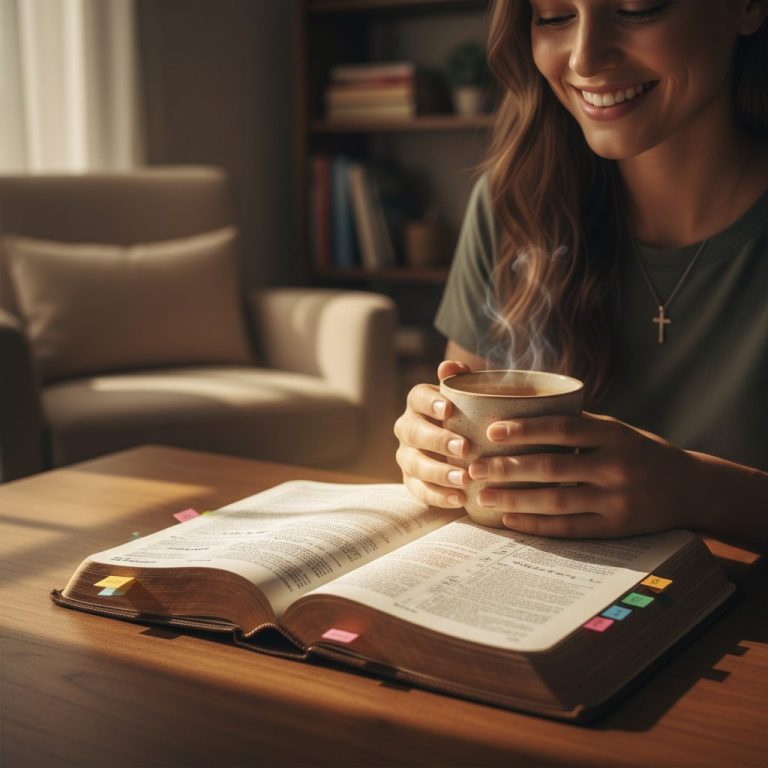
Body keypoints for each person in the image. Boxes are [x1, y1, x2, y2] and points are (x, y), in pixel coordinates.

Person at [394, 0, 768, 552]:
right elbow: (468, 442)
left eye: (636, 8)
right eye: (552, 16)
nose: (585, 59)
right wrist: (435, 455)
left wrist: (697, 491)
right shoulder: (512, 207)